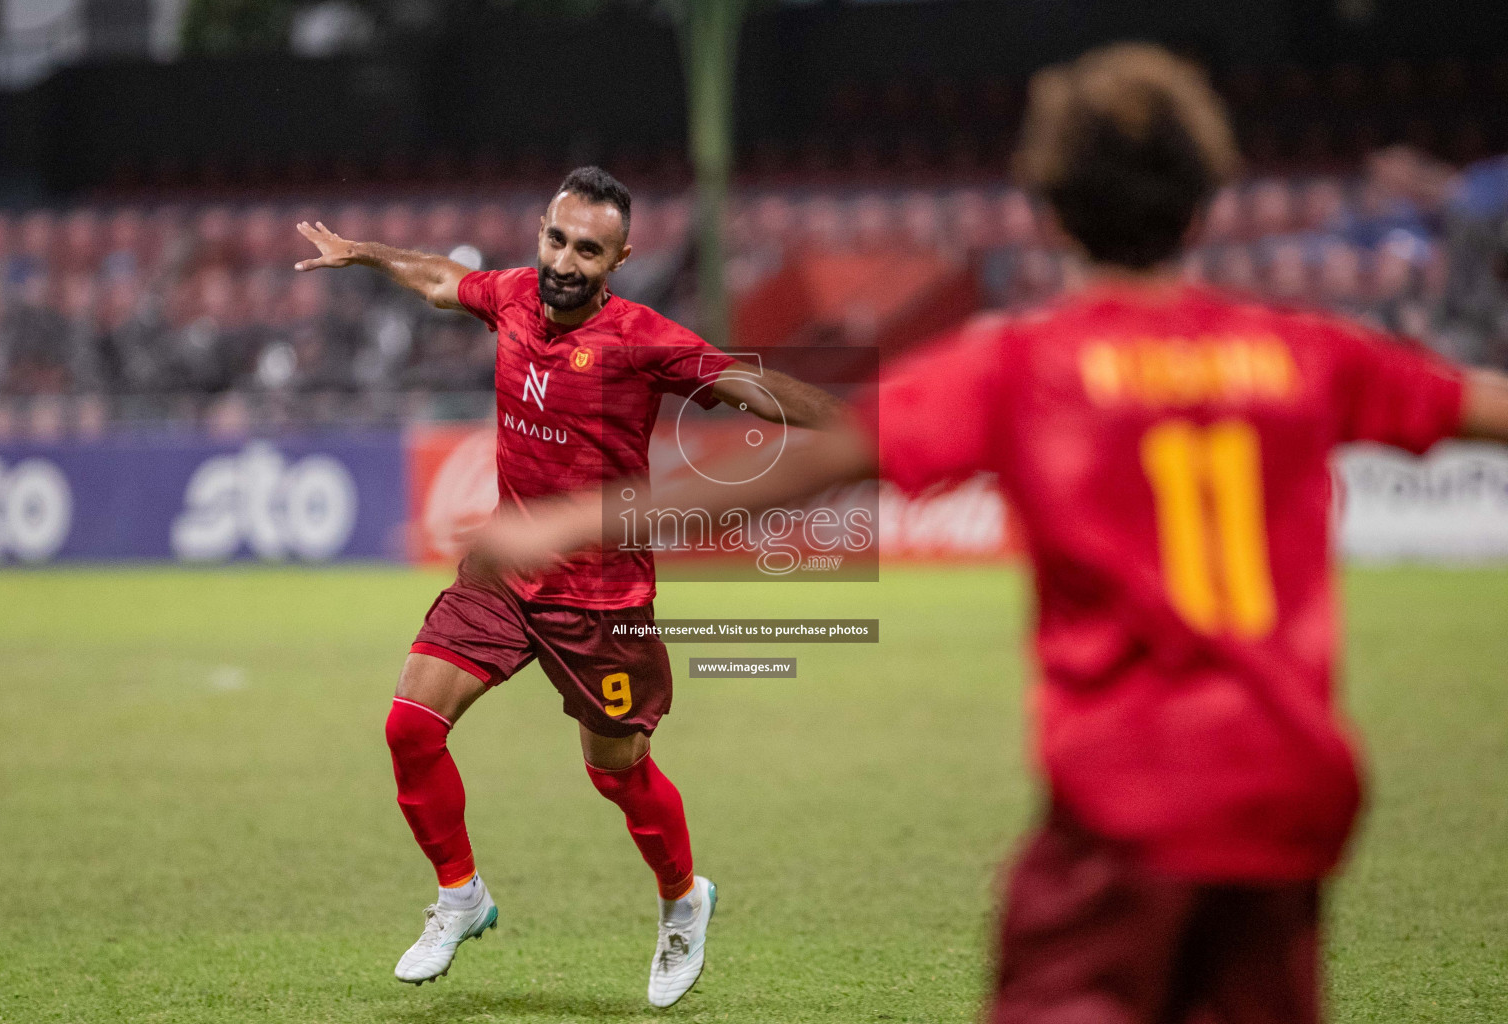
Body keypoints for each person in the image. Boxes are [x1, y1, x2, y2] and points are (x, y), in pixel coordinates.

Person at [456, 48, 1508, 1024]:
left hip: (1125, 817)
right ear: (1205, 198)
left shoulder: (1026, 365)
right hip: (1293, 809)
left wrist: (584, 518)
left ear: (1049, 209)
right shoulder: (1308, 354)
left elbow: (813, 462)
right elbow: (1480, 406)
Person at [293, 166, 841, 1004]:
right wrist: (361, 253)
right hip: (503, 573)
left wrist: (866, 430)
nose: (565, 261)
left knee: (617, 774)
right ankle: (460, 894)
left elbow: (747, 386)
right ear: (541, 233)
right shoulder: (510, 297)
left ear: (618, 260)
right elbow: (443, 278)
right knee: (410, 727)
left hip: (600, 601)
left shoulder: (643, 338)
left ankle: (683, 899)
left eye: (589, 250)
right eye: (557, 239)